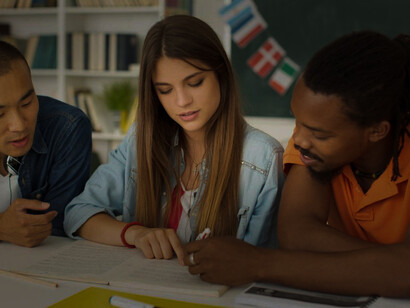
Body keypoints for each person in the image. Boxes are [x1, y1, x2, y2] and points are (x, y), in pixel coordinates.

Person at [183, 31, 410, 297]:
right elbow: (296, 233)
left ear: (377, 131)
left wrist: (257, 263)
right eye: (297, 120)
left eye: (319, 134)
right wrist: (391, 265)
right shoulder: (313, 145)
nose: (299, 139)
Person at [64, 15, 284, 264]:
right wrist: (135, 234)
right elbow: (78, 214)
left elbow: (262, 267)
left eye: (194, 83)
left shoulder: (263, 159)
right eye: (165, 90)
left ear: (221, 75)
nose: (181, 101)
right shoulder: (141, 140)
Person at [0, 40, 92, 247]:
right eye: (0, 114)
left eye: (27, 103)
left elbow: (56, 227)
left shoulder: (66, 127)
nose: (19, 125)